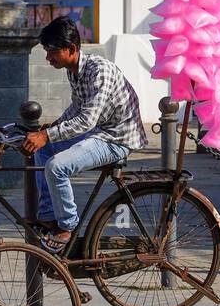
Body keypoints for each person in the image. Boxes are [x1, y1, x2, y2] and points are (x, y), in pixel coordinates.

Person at [21, 16, 148, 250]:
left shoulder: (99, 70)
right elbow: (77, 108)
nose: (48, 58)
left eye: (52, 52)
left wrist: (48, 134)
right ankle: (48, 216)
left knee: (57, 166)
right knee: (44, 150)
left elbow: (86, 121)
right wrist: (51, 129)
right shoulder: (74, 70)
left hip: (116, 137)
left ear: (71, 48)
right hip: (99, 131)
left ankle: (67, 226)